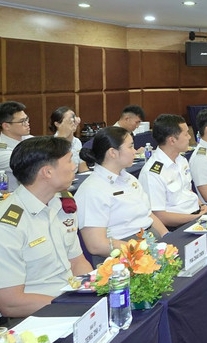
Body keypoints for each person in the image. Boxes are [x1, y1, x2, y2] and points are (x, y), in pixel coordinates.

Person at [0, 136, 93, 318]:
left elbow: (77, 261)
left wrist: (93, 292)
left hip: (72, 303)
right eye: (69, 160)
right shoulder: (8, 224)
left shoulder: (63, 203)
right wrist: (72, 305)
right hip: (34, 317)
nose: (75, 165)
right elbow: (10, 303)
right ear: (47, 172)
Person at [75, 127, 168, 264]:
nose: (135, 151)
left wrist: (168, 238)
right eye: (130, 146)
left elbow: (149, 215)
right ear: (113, 152)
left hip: (149, 242)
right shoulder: (91, 190)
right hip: (122, 255)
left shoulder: (129, 179)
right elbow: (96, 245)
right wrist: (141, 250)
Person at [139, 114, 207, 228]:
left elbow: (187, 191)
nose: (189, 137)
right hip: (178, 225)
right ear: (172, 140)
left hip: (196, 215)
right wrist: (196, 218)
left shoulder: (181, 160)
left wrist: (202, 206)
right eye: (186, 134)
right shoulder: (152, 172)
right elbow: (159, 216)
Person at [0, 101, 35, 192]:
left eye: (27, 119)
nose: (27, 123)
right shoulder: (2, 150)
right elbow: (32, 166)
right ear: (6, 126)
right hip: (11, 199)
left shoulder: (29, 139)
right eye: (22, 121)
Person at [50, 106, 89, 173]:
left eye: (74, 118)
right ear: (57, 124)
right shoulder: (51, 144)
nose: (74, 122)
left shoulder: (77, 142)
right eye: (70, 120)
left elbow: (83, 168)